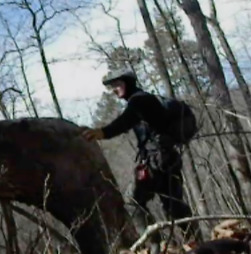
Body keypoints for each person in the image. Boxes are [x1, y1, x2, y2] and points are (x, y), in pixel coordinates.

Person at [82, 69, 201, 246]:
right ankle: (197, 243)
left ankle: (155, 245)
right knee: (174, 206)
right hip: (169, 159)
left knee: (133, 203)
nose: (114, 90)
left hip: (157, 161)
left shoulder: (140, 100)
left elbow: (125, 121)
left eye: (117, 85)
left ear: (128, 83)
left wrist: (102, 132)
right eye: (112, 87)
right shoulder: (143, 99)